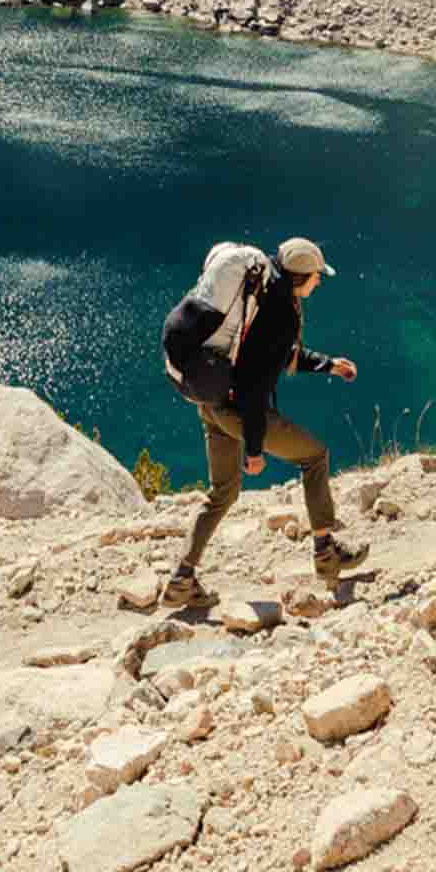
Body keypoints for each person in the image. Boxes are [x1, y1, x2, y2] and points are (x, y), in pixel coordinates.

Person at [157, 234, 367, 607]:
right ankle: (326, 554)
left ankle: (181, 580)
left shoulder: (262, 295)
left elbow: (270, 356)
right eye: (317, 276)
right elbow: (255, 385)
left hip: (212, 402)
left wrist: (326, 364)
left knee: (222, 493)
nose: (319, 281)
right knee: (314, 457)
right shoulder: (281, 313)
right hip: (240, 411)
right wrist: (254, 449)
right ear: (301, 278)